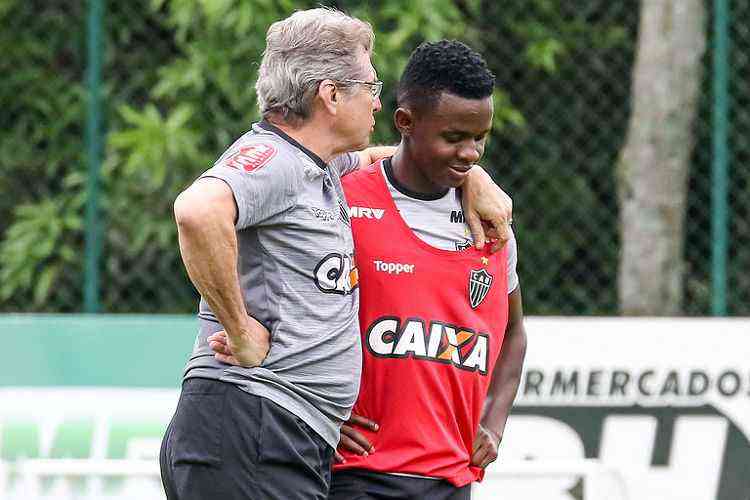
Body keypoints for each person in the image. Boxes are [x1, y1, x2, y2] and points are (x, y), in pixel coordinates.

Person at [160, 8, 513, 500]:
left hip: (280, 431)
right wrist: (240, 330)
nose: (376, 101)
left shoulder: (320, 162)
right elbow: (197, 211)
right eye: (370, 86)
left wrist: (473, 174)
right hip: (254, 422)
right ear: (330, 94)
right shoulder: (276, 158)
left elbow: (394, 156)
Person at [327, 40, 528, 499]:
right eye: (454, 138)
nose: (471, 153)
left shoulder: (492, 220)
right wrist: (315, 411)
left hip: (450, 479)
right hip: (355, 474)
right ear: (405, 122)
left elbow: (514, 332)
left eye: (480, 138)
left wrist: (493, 425)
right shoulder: (342, 200)